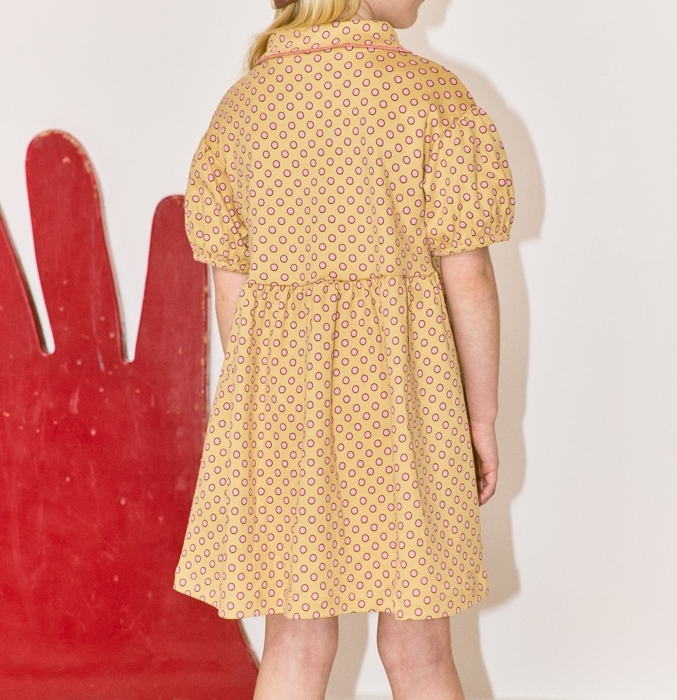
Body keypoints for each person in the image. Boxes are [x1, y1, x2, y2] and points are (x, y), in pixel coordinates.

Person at [174, 0, 515, 696]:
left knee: (295, 646)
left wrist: (259, 412)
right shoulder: (428, 95)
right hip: (407, 408)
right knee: (420, 650)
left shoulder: (243, 109)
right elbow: (470, 278)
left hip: (284, 414)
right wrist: (480, 417)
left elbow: (230, 290)